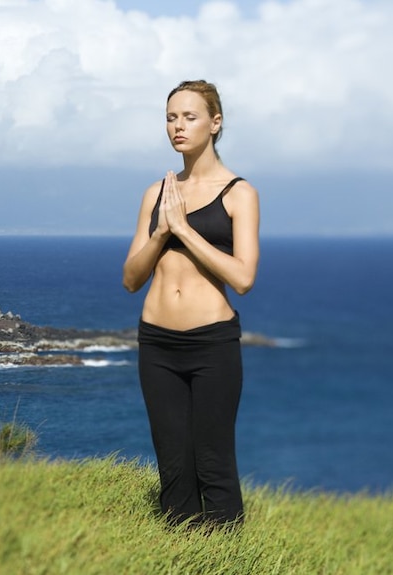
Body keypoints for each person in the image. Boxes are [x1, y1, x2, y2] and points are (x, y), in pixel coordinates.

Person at [122, 80, 260, 527]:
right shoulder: (155, 193)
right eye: (170, 117)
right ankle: (181, 555)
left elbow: (242, 278)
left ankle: (227, 557)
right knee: (173, 467)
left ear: (215, 123)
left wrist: (184, 230)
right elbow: (130, 279)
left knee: (213, 463)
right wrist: (162, 230)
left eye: (190, 116)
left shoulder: (239, 193)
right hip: (157, 342)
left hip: (212, 344)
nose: (177, 126)